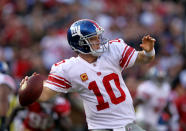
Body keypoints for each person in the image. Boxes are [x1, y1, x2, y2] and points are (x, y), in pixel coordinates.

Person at [21, 19, 156, 131]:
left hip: (127, 124)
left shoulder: (113, 49)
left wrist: (149, 52)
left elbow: (143, 59)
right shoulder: (68, 68)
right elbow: (45, 95)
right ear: (80, 44)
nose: (99, 41)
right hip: (101, 128)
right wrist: (28, 90)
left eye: (98, 37)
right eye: (93, 39)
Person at [0, 61, 16, 131]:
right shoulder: (6, 78)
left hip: (6, 117)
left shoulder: (3, 78)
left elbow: (3, 97)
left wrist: (3, 121)